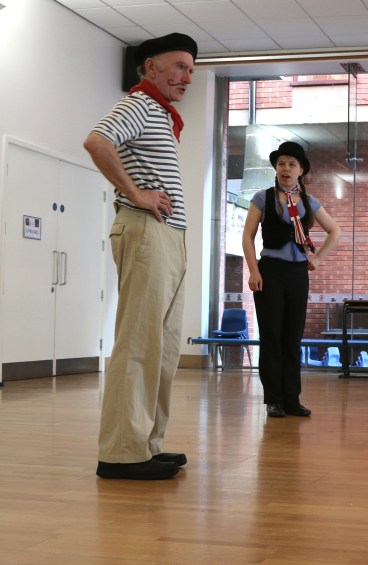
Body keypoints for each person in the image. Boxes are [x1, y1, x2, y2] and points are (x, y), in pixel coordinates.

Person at [84, 33, 197, 480]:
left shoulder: (162, 115)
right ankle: (120, 454)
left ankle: (146, 444)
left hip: (169, 236)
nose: (187, 77)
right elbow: (97, 141)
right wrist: (136, 193)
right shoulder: (140, 104)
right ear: (151, 67)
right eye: (179, 66)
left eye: (191, 69)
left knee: (163, 347)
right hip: (147, 231)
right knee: (138, 342)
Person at [242, 141, 341, 418]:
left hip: (298, 273)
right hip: (270, 271)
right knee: (272, 336)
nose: (286, 168)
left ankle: (291, 398)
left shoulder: (309, 202)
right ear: (276, 169)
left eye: (292, 164)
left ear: (301, 171)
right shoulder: (263, 198)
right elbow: (247, 236)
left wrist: (318, 258)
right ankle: (273, 399)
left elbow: (335, 230)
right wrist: (254, 271)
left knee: (292, 337)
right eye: (281, 164)